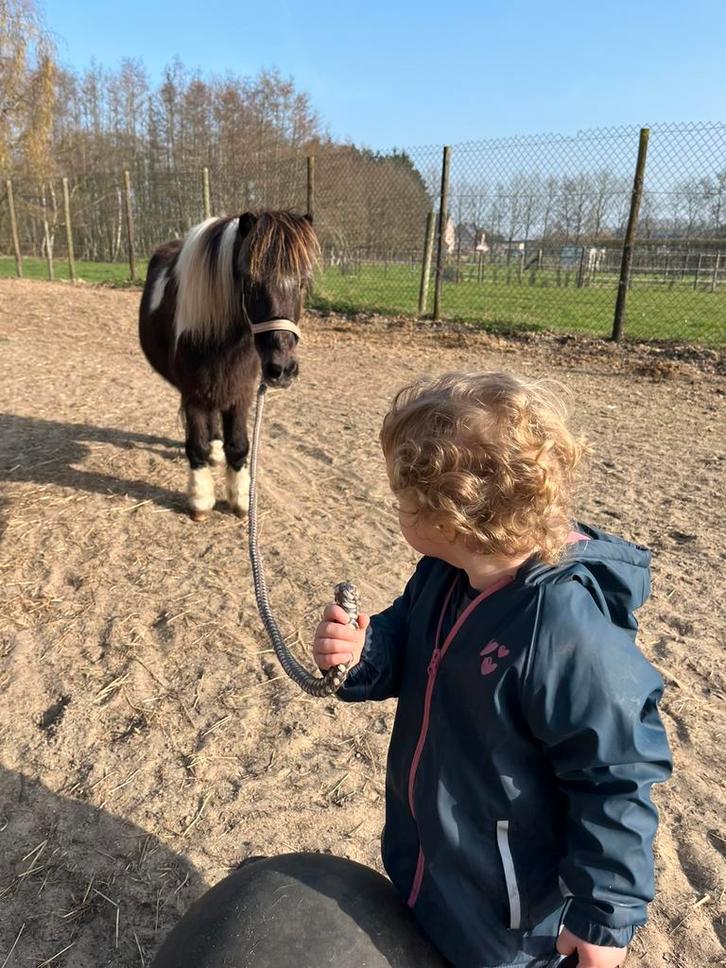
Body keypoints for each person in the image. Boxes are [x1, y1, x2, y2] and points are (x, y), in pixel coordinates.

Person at [313, 372, 672, 968]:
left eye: (404, 501)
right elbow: (409, 643)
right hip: (437, 861)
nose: (396, 510)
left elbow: (615, 775)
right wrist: (361, 653)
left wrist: (603, 917)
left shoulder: (562, 629)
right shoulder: (444, 575)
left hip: (510, 917)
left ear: (453, 518)